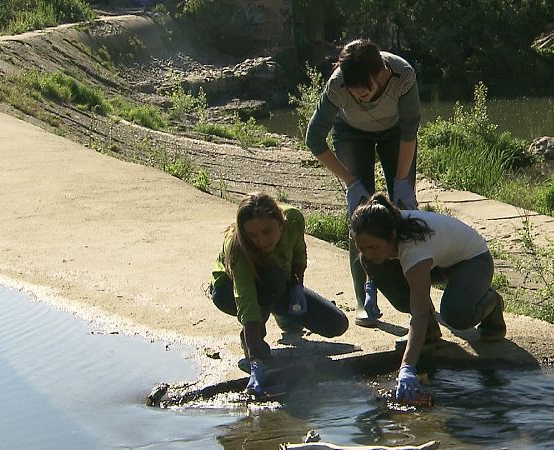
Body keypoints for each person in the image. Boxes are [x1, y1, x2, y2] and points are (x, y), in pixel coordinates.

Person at [305, 38, 422, 328]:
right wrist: (351, 182)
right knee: (360, 216)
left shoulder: (402, 75)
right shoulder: (338, 86)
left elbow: (409, 132)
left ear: (381, 73)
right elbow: (313, 139)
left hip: (396, 133)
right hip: (352, 134)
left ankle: (417, 297)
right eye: (354, 92)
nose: (360, 95)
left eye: (366, 91)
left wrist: (402, 184)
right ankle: (363, 298)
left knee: (404, 214)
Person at [349, 193, 506, 404]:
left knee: (457, 315)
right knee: (371, 263)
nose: (368, 253)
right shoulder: (382, 226)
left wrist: (407, 368)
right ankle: (429, 333)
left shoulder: (414, 248)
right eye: (362, 247)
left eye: (373, 247)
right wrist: (370, 286)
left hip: (472, 260)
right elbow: (370, 256)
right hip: (436, 261)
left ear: (392, 235)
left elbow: (419, 314)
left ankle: (492, 303)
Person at [210, 193, 349, 396]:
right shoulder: (237, 246)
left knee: (336, 324)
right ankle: (252, 340)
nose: (261, 240)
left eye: (268, 231)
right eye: (253, 235)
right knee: (273, 279)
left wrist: (297, 287)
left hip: (276, 284)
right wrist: (255, 355)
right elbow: (245, 298)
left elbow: (299, 254)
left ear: (280, 222)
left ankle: (283, 314)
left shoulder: (293, 219)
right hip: (227, 293)